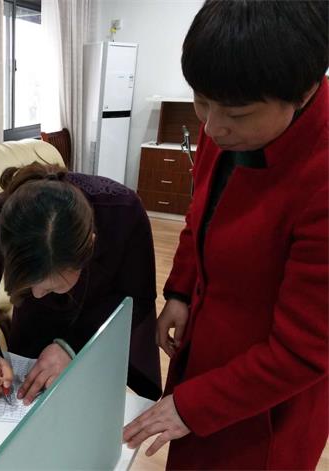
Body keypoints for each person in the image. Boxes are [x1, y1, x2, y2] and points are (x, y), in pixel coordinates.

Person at [123, 1, 328, 469]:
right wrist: (179, 292)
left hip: (265, 403)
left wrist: (192, 406)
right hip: (206, 360)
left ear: (303, 92)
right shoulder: (228, 121)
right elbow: (201, 213)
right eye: (201, 101)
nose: (212, 127)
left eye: (236, 112)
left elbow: (304, 352)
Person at [0, 161, 162, 405]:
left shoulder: (123, 212)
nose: (37, 294)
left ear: (90, 246)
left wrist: (72, 347)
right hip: (33, 326)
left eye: (51, 286)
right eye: (28, 282)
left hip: (99, 320)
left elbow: (137, 299)